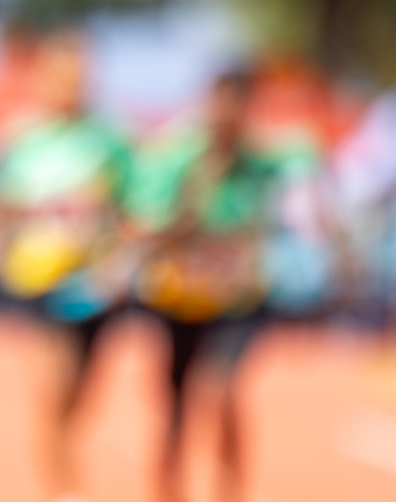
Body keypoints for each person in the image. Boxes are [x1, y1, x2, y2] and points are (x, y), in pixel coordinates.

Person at [129, 66, 296, 502]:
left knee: (221, 389)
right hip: (180, 297)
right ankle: (168, 491)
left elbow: (295, 195)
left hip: (237, 301)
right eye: (221, 104)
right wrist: (187, 211)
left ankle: (231, 490)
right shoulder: (179, 159)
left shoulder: (263, 166)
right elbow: (147, 225)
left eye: (239, 106)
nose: (227, 115)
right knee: (175, 404)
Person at [0, 31, 133, 502]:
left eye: (79, 77)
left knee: (84, 389)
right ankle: (62, 487)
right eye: (61, 76)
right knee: (59, 379)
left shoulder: (110, 140)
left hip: (94, 284)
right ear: (44, 80)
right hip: (39, 279)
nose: (71, 85)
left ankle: (63, 454)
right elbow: (4, 204)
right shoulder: (24, 137)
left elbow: (126, 211)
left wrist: (116, 262)